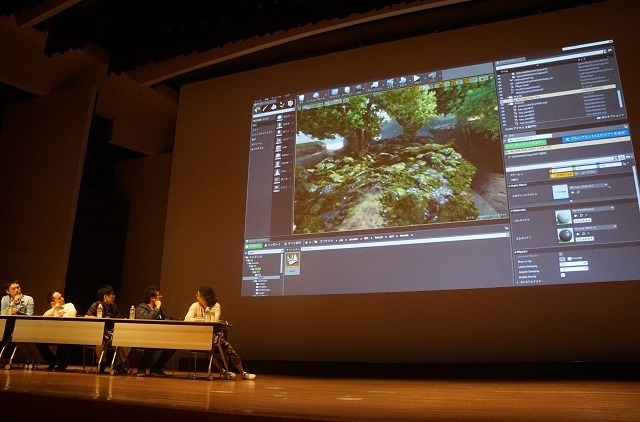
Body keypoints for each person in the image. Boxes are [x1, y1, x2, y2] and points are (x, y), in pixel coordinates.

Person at [184, 286, 256, 380]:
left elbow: (214, 321)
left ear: (204, 297)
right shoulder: (194, 305)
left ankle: (243, 373)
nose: (196, 297)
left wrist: (197, 319)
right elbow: (187, 319)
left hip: (214, 335)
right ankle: (223, 371)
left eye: (198, 295)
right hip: (199, 336)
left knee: (228, 349)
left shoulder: (216, 306)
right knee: (208, 350)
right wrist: (201, 319)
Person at [134, 285, 176, 377]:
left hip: (159, 336)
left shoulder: (161, 310)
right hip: (143, 337)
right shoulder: (141, 308)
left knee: (174, 345)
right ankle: (142, 368)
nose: (161, 296)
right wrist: (157, 308)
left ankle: (156, 368)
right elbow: (147, 319)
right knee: (152, 343)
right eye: (158, 295)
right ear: (152, 298)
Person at [84, 285, 123, 372]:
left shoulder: (114, 306)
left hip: (113, 332)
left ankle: (119, 364)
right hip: (100, 333)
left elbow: (120, 317)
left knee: (126, 339)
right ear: (105, 296)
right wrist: (98, 320)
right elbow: (87, 316)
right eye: (112, 295)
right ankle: (101, 362)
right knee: (100, 339)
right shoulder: (96, 305)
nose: (114, 296)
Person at [36, 291, 77, 370]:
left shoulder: (69, 305)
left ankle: (62, 363)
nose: (63, 299)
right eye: (59, 298)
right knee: (37, 340)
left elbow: (72, 317)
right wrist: (55, 308)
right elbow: (45, 316)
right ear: (53, 302)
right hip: (52, 333)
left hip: (65, 332)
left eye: (61, 296)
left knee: (64, 337)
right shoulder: (52, 310)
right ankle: (52, 360)